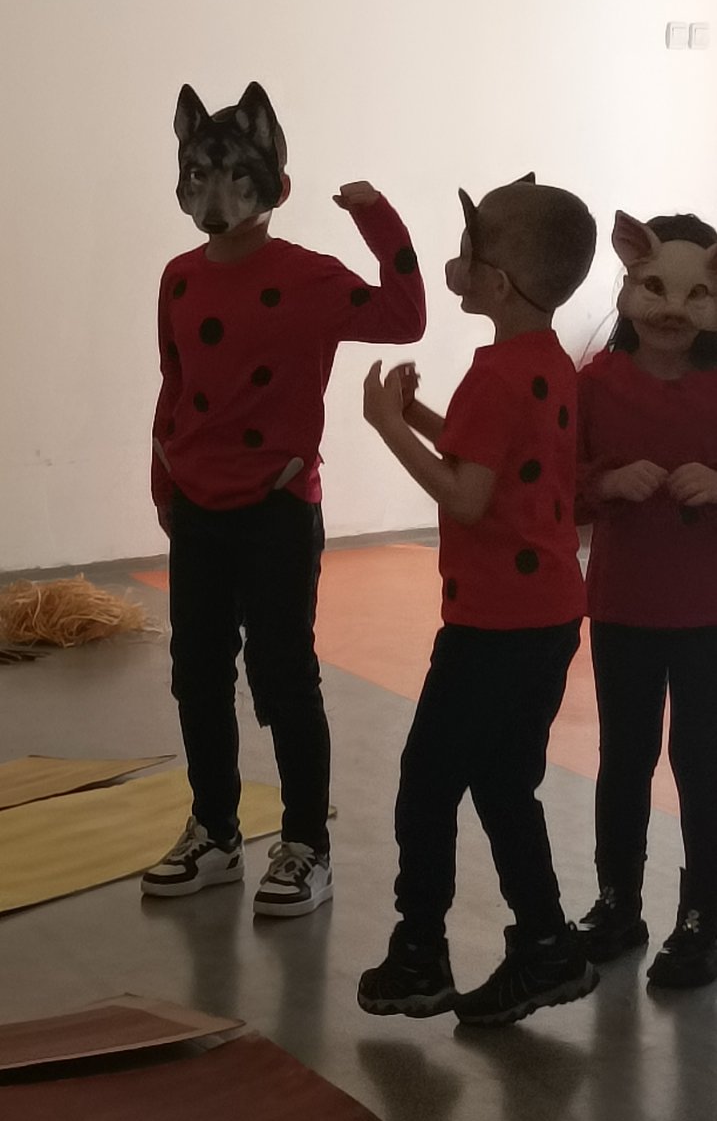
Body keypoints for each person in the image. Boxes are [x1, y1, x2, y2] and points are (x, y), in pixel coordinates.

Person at [142, 80, 426, 913]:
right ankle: (215, 831)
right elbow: (174, 384)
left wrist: (377, 218)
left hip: (275, 504)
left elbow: (403, 316)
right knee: (196, 672)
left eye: (236, 178)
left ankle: (305, 844)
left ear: (274, 183)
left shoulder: (306, 277)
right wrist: (162, 478)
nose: (214, 199)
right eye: (199, 176)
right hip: (197, 503)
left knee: (283, 676)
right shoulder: (178, 278)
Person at [357, 174, 599, 1026]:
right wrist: (422, 412)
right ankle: (547, 947)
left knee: (427, 783)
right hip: (546, 615)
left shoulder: (495, 375)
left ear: (495, 282)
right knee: (503, 785)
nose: (455, 267)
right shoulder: (546, 363)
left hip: (493, 624)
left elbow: (464, 496)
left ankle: (418, 954)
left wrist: (388, 426)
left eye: (467, 254)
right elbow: (495, 459)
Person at [576, 210, 717, 987]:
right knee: (622, 756)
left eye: (695, 293)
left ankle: (703, 916)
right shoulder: (595, 384)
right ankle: (616, 902)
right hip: (624, 604)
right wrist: (603, 482)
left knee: (702, 762)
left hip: (708, 614)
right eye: (655, 288)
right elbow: (557, 485)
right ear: (629, 282)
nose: (671, 310)